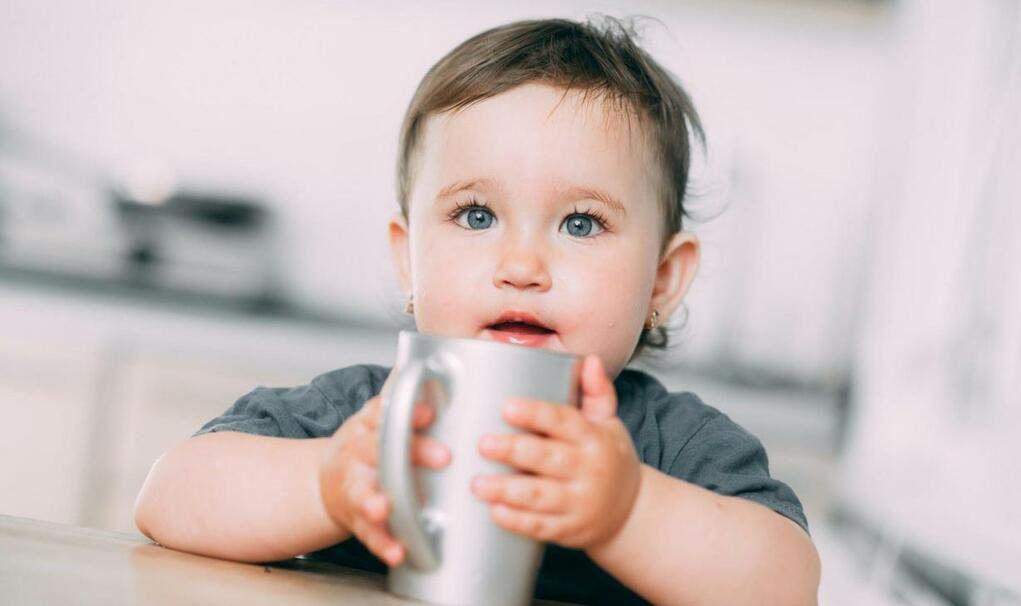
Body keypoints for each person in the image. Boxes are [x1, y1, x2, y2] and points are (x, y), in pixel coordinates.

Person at [134, 16, 820, 605]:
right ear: (410, 259)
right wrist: (325, 483)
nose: (521, 267)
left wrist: (630, 510)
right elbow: (168, 497)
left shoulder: (677, 448)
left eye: (580, 224)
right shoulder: (364, 418)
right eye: (477, 214)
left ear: (663, 281)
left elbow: (789, 584)